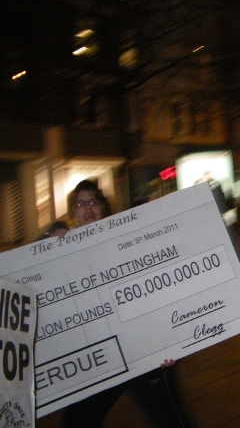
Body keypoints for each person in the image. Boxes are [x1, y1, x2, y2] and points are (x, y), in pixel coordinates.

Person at [50, 180, 190, 428]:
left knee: (171, 420)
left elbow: (157, 290)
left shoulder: (128, 240)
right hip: (98, 359)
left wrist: (171, 344)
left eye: (93, 202)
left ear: (104, 208)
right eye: (80, 204)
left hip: (142, 352)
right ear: (73, 213)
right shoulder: (63, 250)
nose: (87, 209)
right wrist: (50, 245)